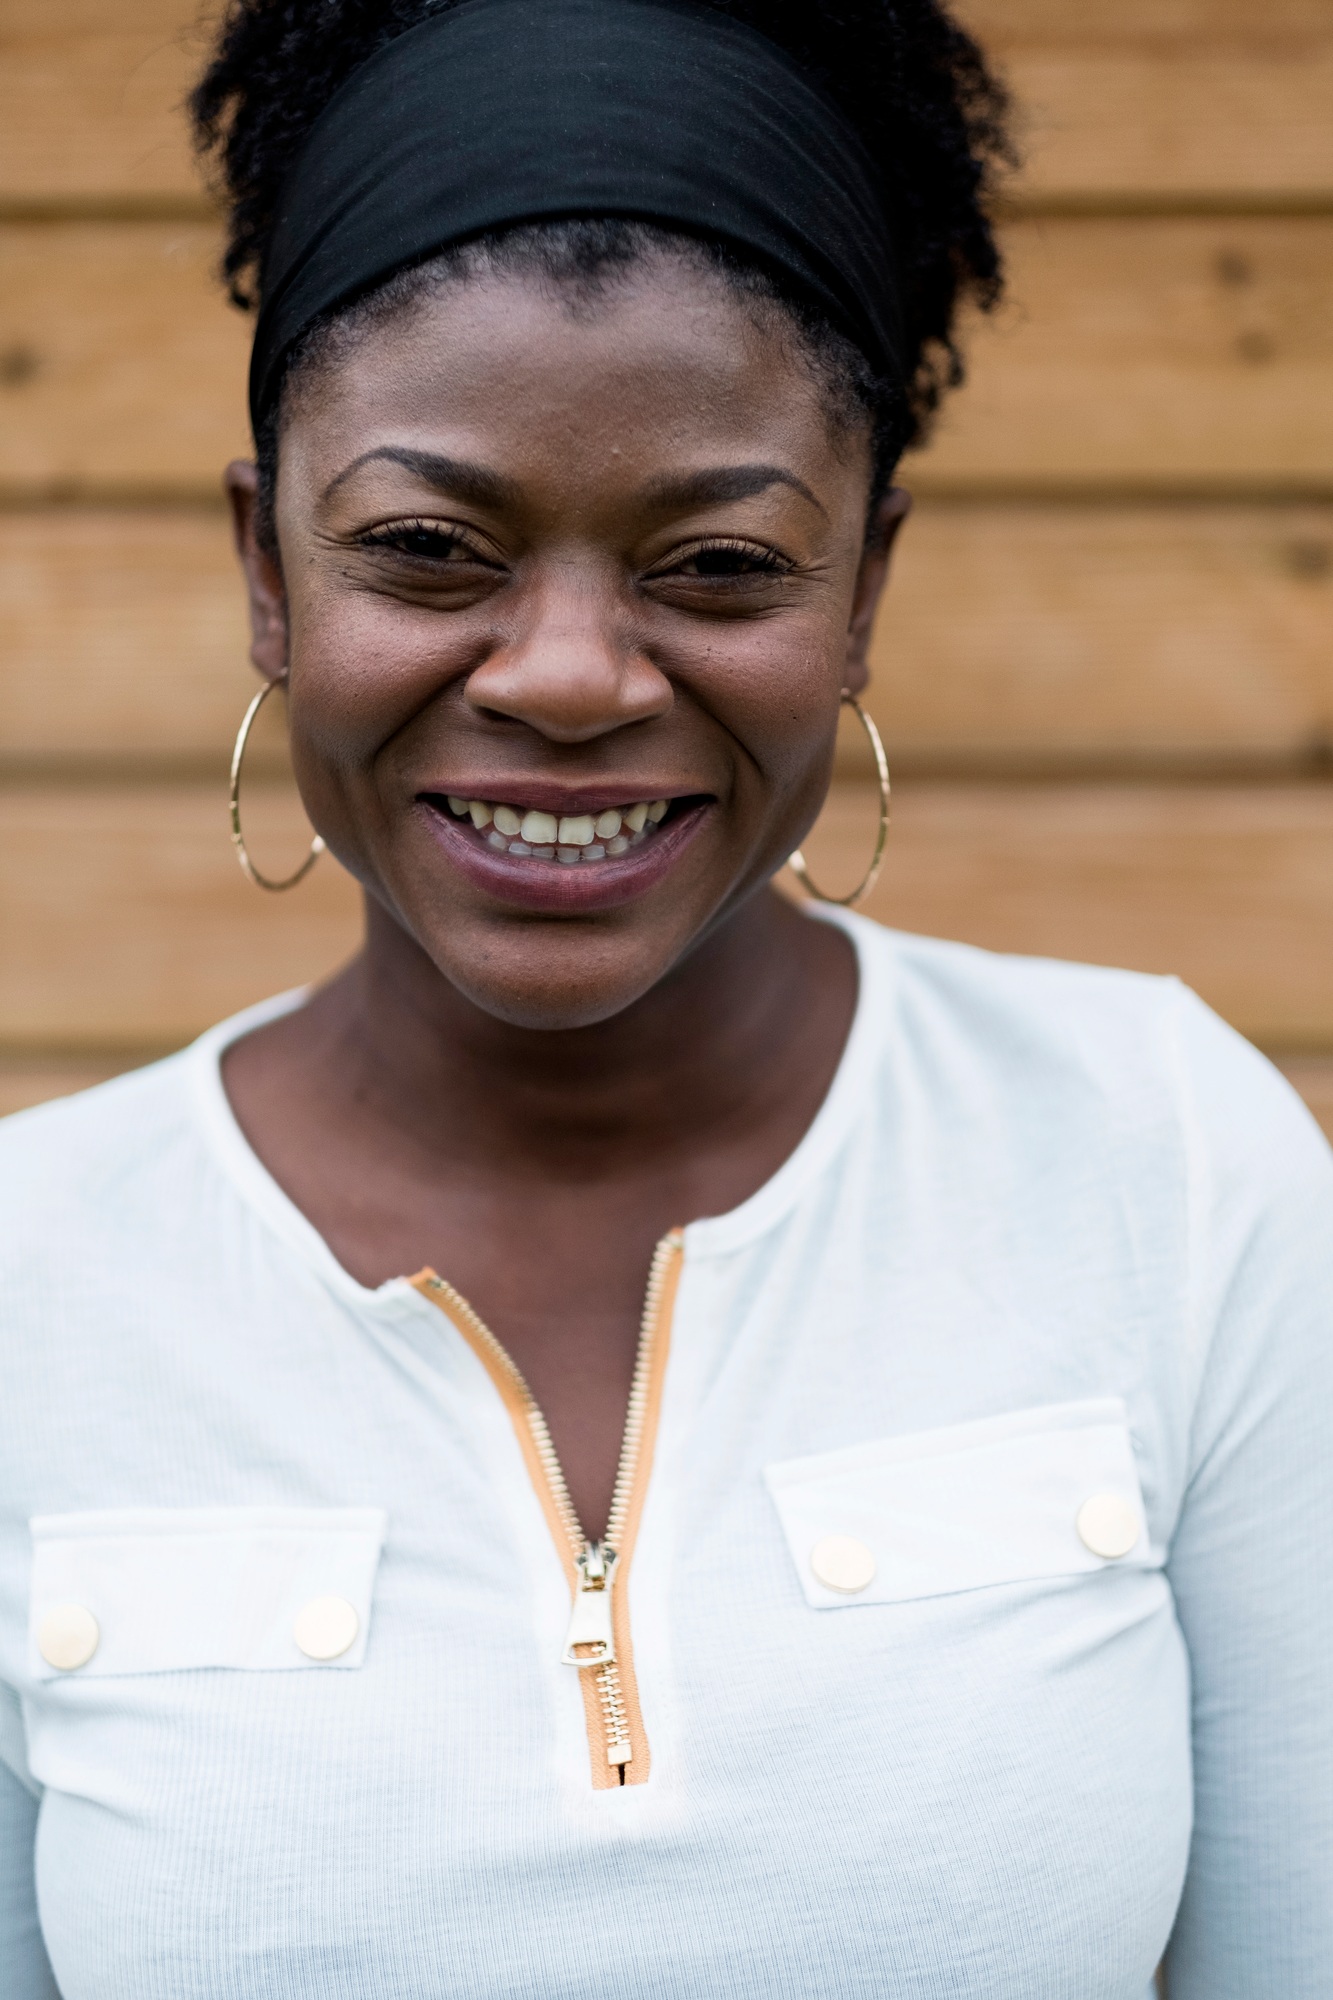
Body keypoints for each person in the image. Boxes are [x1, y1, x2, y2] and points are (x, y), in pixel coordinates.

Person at [1, 0, 1330, 1991]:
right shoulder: (37, 1279)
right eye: (428, 550)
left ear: (863, 585)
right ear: (267, 574)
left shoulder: (1164, 1157)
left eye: (714, 565)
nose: (563, 675)